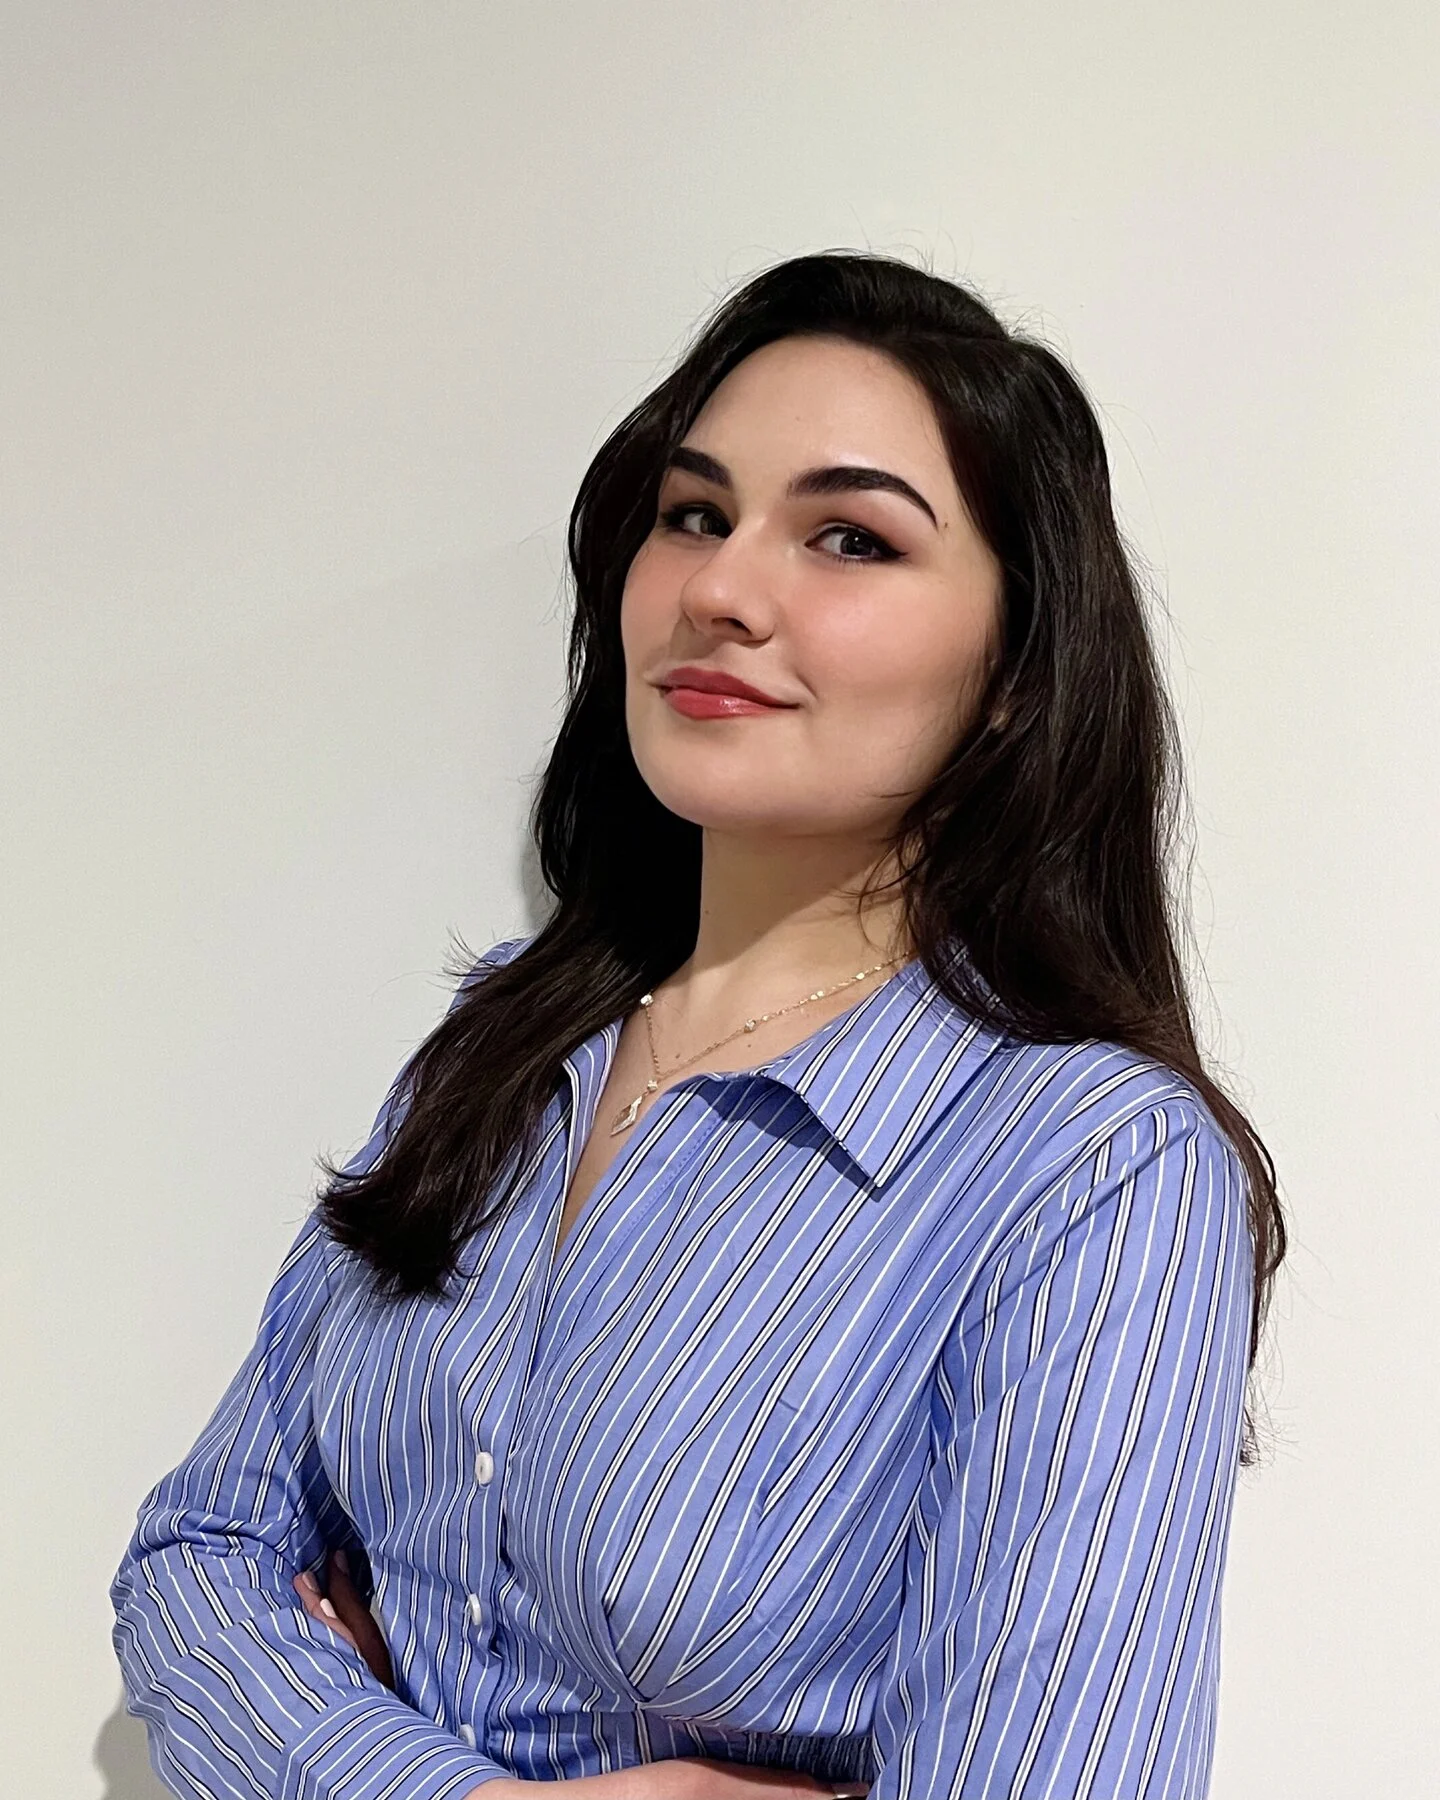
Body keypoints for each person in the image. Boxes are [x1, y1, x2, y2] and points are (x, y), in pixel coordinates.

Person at [110, 250, 1285, 1800]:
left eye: (850, 538)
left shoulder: (1086, 1169)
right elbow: (195, 1564)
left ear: (1016, 669)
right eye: (695, 514)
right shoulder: (499, 1052)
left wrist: (310, 1732)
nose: (723, 590)